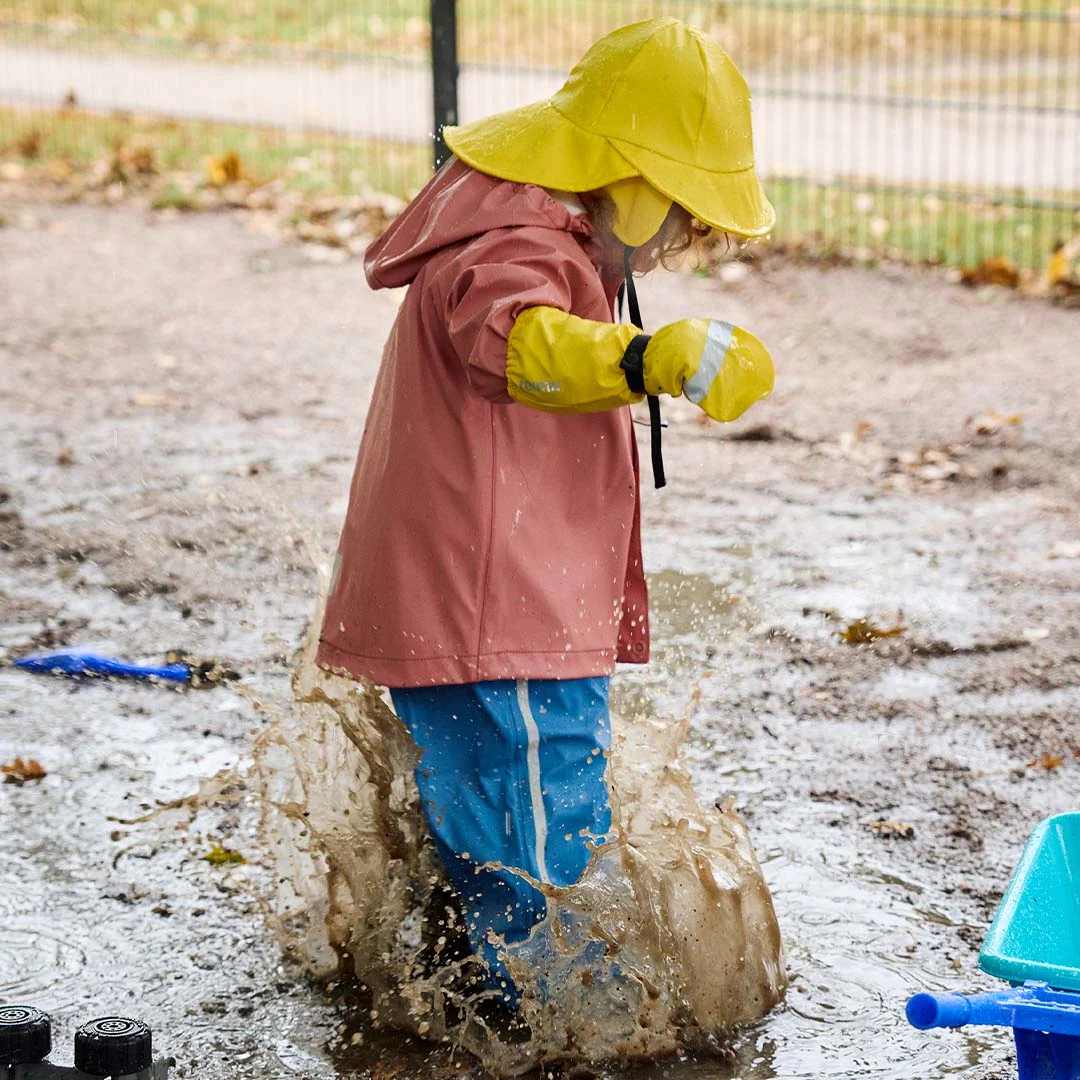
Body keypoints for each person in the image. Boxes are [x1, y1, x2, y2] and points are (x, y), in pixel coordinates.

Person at [317, 17, 775, 1014]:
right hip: (496, 616)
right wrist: (645, 359)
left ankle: (458, 1000)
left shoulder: (532, 229)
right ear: (637, 183)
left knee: (493, 836)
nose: (685, 242)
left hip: (488, 602)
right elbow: (522, 347)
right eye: (687, 217)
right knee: (549, 853)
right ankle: (578, 1029)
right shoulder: (518, 247)